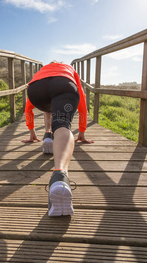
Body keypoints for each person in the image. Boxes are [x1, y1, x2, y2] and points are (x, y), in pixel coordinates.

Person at [22, 61, 94, 217]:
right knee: (61, 123)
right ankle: (59, 175)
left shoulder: (42, 71)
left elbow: (28, 107)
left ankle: (48, 135)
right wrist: (81, 131)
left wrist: (31, 131)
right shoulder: (68, 69)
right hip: (63, 85)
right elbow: (81, 101)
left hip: (36, 89)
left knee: (50, 107)